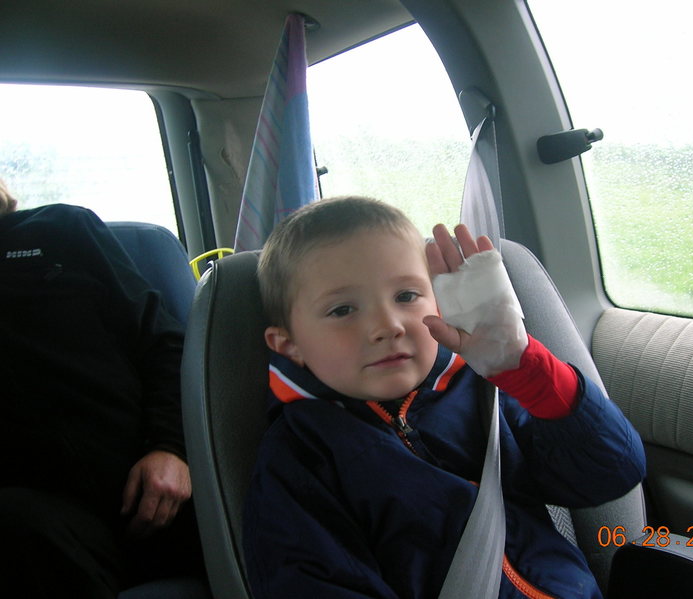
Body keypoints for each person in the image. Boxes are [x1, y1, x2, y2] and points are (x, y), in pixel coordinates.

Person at [243, 196, 645, 598]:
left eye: (406, 296)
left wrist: (525, 370)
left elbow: (612, 474)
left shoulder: (487, 391)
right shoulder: (300, 456)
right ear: (289, 345)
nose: (388, 326)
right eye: (343, 309)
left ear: (439, 300)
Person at [0, 180, 204, 597]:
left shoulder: (61, 228)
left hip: (160, 473)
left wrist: (171, 447)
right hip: (49, 520)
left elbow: (165, 342)